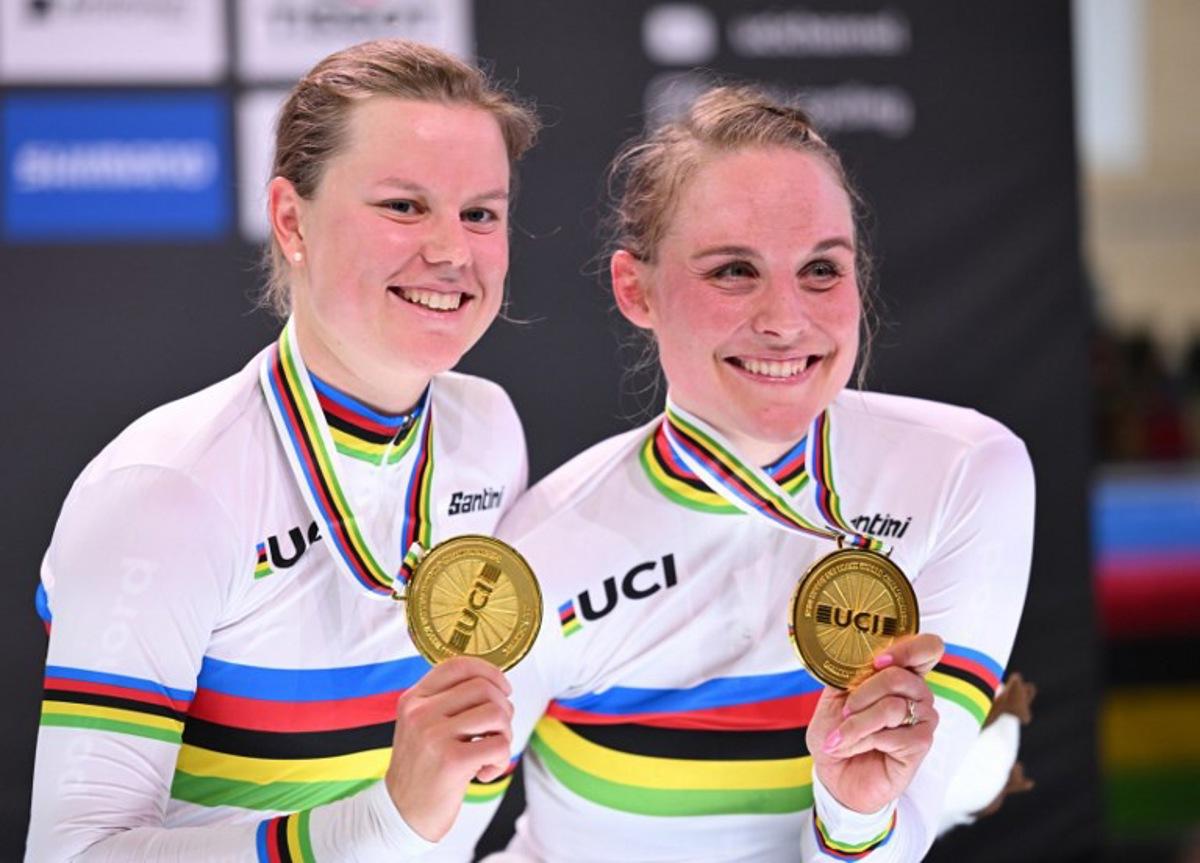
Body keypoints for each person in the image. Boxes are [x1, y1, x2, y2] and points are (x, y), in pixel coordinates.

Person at [27, 39, 540, 861]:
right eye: (404, 206)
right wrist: (383, 821)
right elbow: (77, 853)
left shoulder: (487, 432)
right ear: (291, 221)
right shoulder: (167, 488)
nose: (452, 251)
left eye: (480, 212)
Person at [493, 86, 1035, 862]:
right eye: (734, 271)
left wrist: (854, 810)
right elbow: (427, 832)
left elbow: (897, 834)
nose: (786, 320)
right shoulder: (541, 546)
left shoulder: (960, 475)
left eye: (821, 269)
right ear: (634, 289)